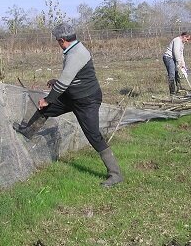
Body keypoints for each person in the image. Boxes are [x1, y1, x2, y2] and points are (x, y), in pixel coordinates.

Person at [13, 23, 123, 187]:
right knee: (46, 110)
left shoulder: (76, 54)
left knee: (93, 136)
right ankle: (28, 131)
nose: (58, 43)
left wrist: (47, 99)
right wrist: (54, 88)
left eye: (58, 41)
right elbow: (71, 77)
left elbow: (64, 83)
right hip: (73, 95)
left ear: (62, 40)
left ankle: (115, 174)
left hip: (87, 100)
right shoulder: (74, 49)